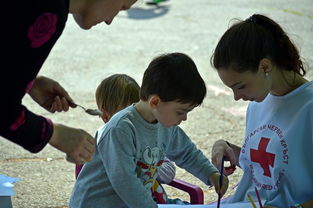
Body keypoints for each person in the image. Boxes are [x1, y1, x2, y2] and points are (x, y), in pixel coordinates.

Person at [69, 52, 229, 208]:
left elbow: (187, 153)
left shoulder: (166, 125)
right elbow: (125, 182)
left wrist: (211, 174)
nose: (184, 118)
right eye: (180, 112)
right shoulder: (121, 129)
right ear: (155, 102)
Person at [1, 0, 138, 165]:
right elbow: (4, 110)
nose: (109, 21)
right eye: (122, 7)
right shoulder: (47, 11)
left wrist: (30, 82)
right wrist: (55, 134)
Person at [210, 14, 313, 208]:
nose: (236, 97)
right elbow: (266, 167)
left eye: (240, 86)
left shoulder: (309, 106)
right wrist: (228, 148)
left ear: (265, 66)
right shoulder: (258, 103)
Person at [74, 73, 177, 201]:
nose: (135, 119)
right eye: (125, 116)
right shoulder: (108, 139)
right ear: (106, 116)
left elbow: (169, 173)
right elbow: (123, 182)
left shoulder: (147, 139)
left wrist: (150, 165)